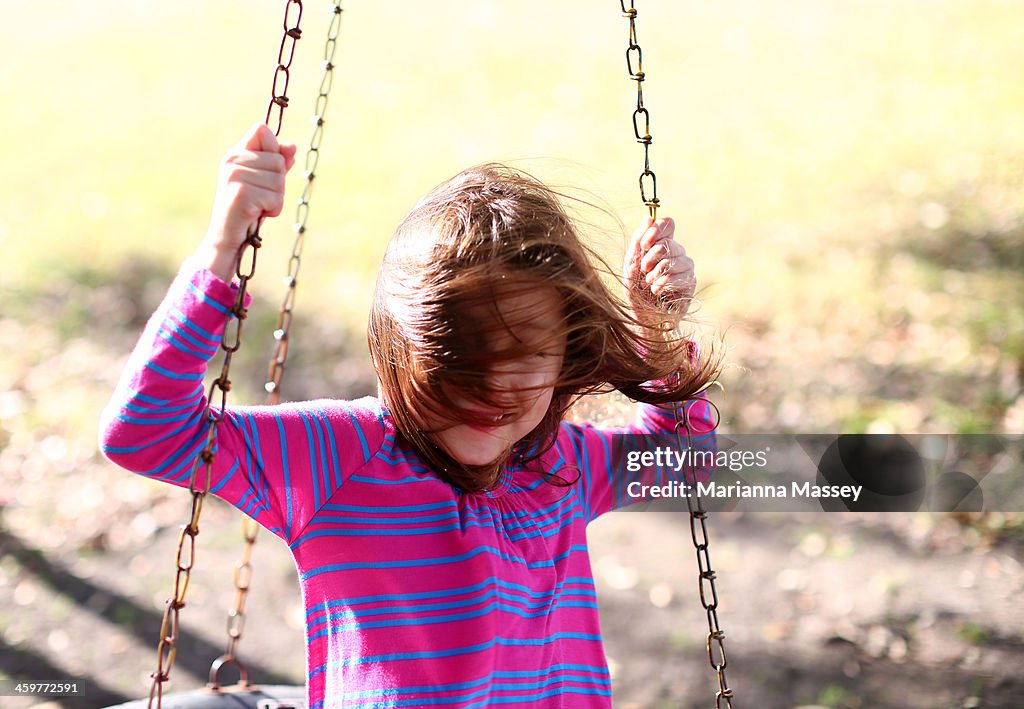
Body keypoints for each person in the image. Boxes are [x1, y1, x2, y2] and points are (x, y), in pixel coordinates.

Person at [99, 123, 720, 709]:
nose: (495, 386)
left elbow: (684, 459)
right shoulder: (339, 457)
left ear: (565, 354)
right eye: (462, 354)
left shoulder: (556, 464)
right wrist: (221, 250)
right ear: (401, 348)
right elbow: (146, 432)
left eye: (527, 353)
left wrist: (657, 332)